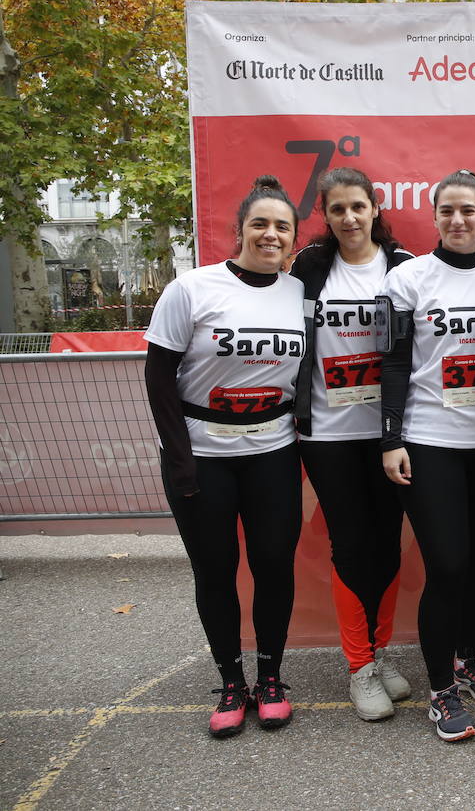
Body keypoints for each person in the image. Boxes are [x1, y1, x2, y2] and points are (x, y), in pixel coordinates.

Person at [144, 175, 305, 738]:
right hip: (204, 455)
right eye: (259, 223)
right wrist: (179, 458)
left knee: (273, 569)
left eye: (282, 226)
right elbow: (160, 378)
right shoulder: (192, 288)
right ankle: (230, 680)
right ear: (239, 230)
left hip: (274, 453)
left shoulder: (296, 290)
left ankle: (271, 678)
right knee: (215, 571)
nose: (270, 234)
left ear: (292, 237)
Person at [380, 169, 475, 742]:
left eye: (469, 210)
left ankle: (466, 657)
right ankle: (440, 689)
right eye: (447, 211)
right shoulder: (408, 278)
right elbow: (392, 361)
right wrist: (391, 438)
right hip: (431, 440)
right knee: (448, 566)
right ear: (434, 217)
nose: (458, 220)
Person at [291, 167, 414, 722]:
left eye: (357, 207)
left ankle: (381, 654)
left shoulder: (404, 267)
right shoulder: (310, 268)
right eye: (337, 209)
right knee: (349, 546)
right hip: (329, 435)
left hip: (389, 436)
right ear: (325, 213)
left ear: (374, 208)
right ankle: (359, 666)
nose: (348, 219)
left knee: (387, 545)